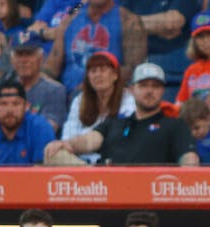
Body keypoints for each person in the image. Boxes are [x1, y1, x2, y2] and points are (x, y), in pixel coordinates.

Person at [54, 63, 198, 166]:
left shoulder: (175, 125)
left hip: (152, 191)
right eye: (143, 85)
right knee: (54, 153)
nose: (149, 91)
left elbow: (188, 157)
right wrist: (67, 144)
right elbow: (89, 141)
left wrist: (189, 175)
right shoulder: (113, 124)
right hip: (106, 186)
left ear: (162, 91)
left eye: (155, 86)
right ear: (132, 90)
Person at [0, 79, 56, 165]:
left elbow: (41, 174)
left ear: (26, 106)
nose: (9, 110)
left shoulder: (40, 128)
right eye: (3, 104)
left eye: (16, 104)